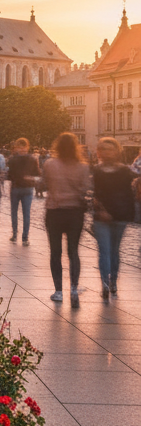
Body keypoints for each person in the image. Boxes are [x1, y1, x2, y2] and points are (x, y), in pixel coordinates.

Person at [41, 131, 91, 308]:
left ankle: (58, 291)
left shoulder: (50, 164)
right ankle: (74, 289)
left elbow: (43, 184)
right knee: (73, 252)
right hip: (75, 213)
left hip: (54, 211)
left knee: (55, 252)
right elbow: (86, 189)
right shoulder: (83, 167)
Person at [91, 137, 136, 300]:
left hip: (120, 215)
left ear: (116, 151)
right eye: (103, 149)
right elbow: (95, 193)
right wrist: (100, 209)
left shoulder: (124, 170)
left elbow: (129, 194)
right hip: (101, 215)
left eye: (110, 149)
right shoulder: (96, 169)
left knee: (114, 250)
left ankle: (113, 281)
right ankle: (105, 283)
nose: (106, 152)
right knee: (104, 250)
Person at [7, 137, 41, 245]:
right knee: (26, 214)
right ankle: (25, 237)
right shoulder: (33, 159)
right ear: (27, 147)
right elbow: (38, 174)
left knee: (14, 213)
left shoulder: (12, 159)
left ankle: (15, 235)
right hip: (27, 188)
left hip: (16, 188)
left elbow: (9, 175)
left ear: (16, 148)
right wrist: (30, 177)